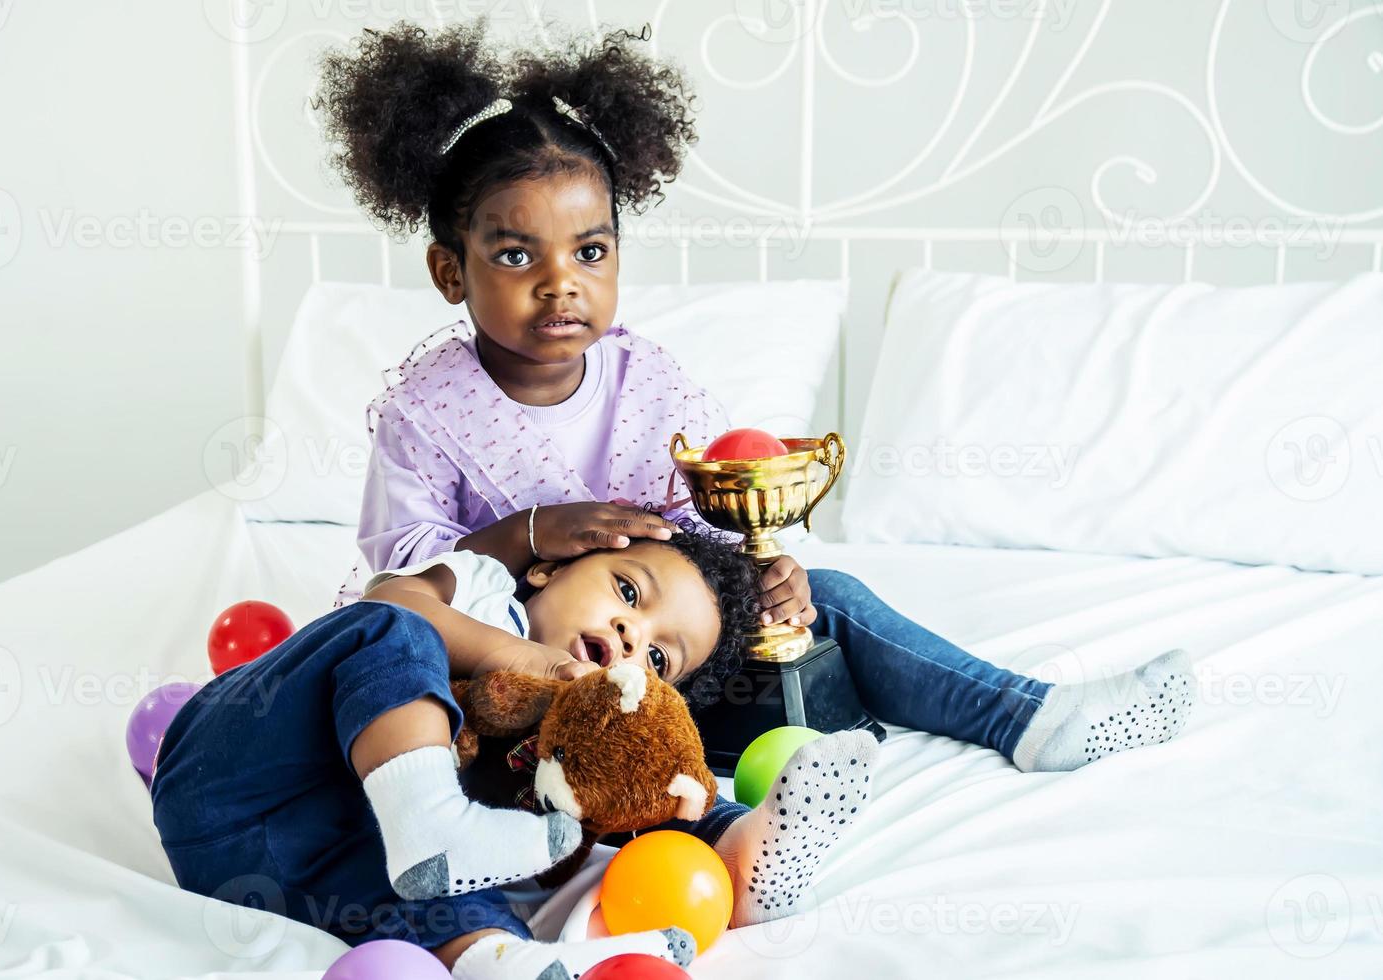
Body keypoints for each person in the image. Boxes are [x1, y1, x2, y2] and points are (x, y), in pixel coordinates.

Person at [316, 18, 1196, 778]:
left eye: (590, 252)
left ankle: (1026, 718)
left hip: (661, 665)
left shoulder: (646, 384)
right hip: (512, 676)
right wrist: (534, 534)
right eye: (516, 256)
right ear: (448, 270)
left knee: (830, 601)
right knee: (432, 702)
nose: (560, 285)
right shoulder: (429, 412)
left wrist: (762, 577)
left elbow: (707, 526)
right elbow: (404, 580)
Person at [153, 529, 881, 978]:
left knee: (466, 877)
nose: (632, 634)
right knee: (389, 634)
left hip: (296, 868)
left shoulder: (564, 744)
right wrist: (531, 660)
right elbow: (392, 599)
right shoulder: (479, 592)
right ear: (546, 571)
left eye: (658, 658)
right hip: (233, 783)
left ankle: (739, 851)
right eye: (627, 591)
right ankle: (434, 818)